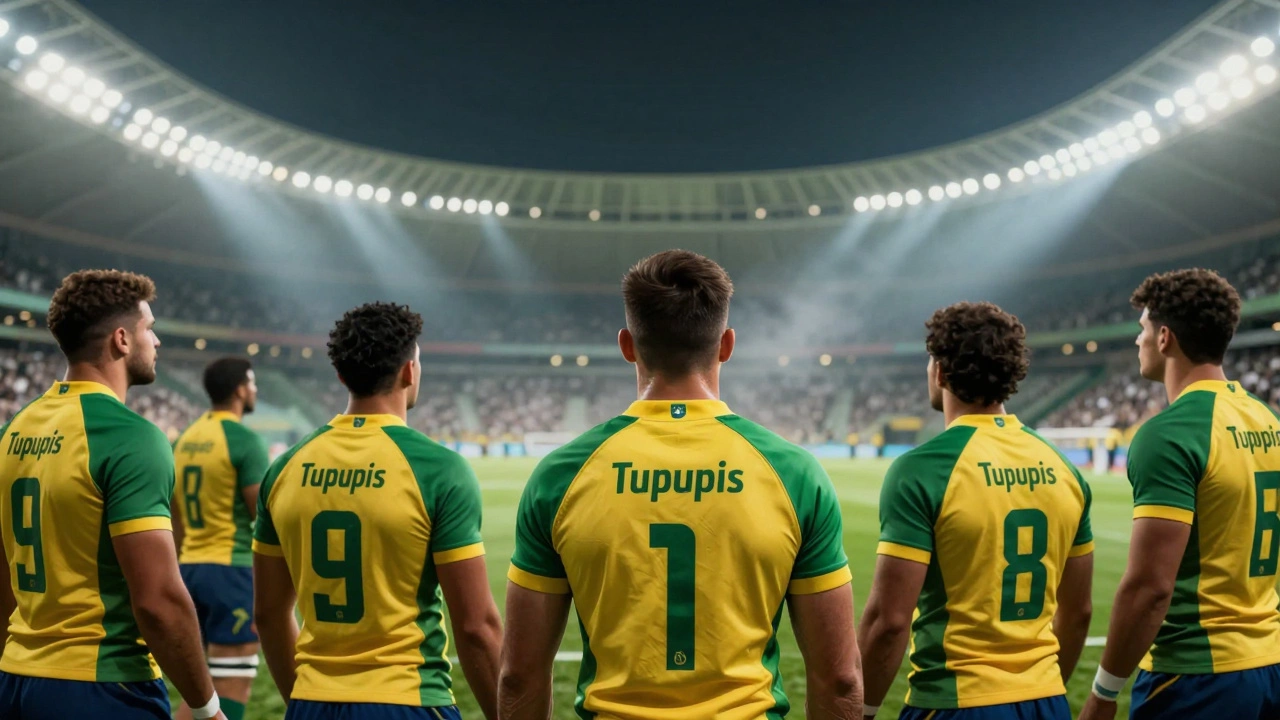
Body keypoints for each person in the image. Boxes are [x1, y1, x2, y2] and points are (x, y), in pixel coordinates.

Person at [498, 249, 863, 720]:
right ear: (726, 344)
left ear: (627, 345)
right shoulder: (794, 473)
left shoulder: (561, 475)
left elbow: (518, 675)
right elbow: (839, 678)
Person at [252, 302, 503, 720]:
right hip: (407, 700)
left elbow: (268, 613)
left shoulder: (284, 468)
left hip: (312, 703)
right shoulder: (439, 468)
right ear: (409, 371)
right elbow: (476, 627)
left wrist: (304, 699)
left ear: (341, 375)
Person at [0, 270, 226, 719]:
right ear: (122, 340)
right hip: (101, 685)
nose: (156, 341)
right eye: (150, 329)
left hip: (16, 679)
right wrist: (206, 708)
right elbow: (158, 598)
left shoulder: (14, 430)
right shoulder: (130, 437)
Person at [858, 302, 1093, 720]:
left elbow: (888, 622)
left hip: (956, 702)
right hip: (1047, 701)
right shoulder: (1065, 468)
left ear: (940, 372)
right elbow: (1078, 613)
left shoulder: (922, 470)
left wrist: (861, 710)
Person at [1080, 269, 1280, 720]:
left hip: (1197, 675)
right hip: (1268, 662)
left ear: (1165, 337)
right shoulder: (1267, 420)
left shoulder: (1170, 434)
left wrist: (1104, 692)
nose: (1138, 342)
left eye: (1142, 330)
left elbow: (1150, 587)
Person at [172, 357, 271, 720]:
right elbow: (264, 519)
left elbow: (175, 516)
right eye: (253, 383)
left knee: (204, 694)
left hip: (189, 571)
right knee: (231, 684)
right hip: (232, 572)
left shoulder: (183, 440)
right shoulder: (244, 440)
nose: (255, 390)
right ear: (240, 389)